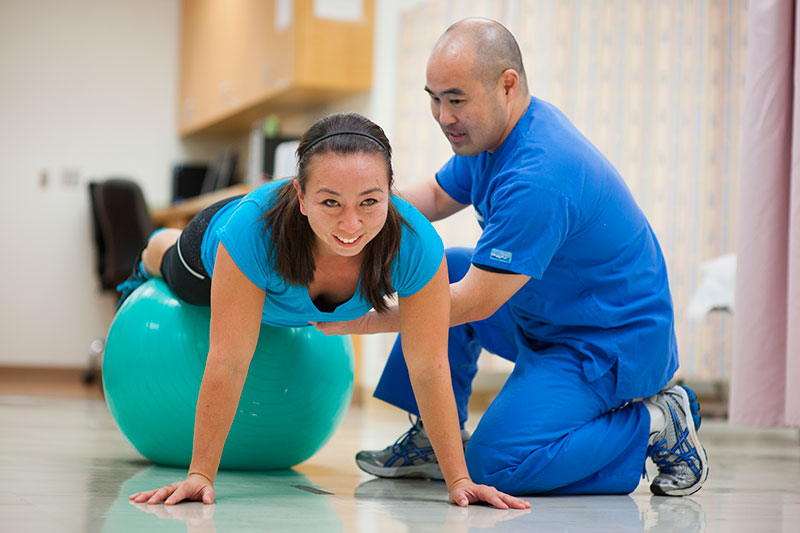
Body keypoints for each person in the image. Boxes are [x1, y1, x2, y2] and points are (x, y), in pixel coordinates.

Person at [316, 20, 709, 497]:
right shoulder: (491, 136)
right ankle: (431, 440)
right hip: (548, 315)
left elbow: (474, 303)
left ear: (507, 84)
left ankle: (655, 422)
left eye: (455, 99)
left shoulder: (539, 174)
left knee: (494, 466)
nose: (442, 116)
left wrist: (357, 320)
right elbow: (435, 196)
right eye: (434, 98)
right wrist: (351, 210)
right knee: (449, 265)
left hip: (605, 345)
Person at [119, 113, 529, 510]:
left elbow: (428, 367)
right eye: (331, 201)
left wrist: (459, 481)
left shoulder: (415, 245)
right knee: (169, 264)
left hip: (268, 260)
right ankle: (156, 247)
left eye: (369, 201)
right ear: (301, 196)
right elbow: (228, 361)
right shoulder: (251, 233)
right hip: (210, 255)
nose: (351, 224)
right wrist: (200, 476)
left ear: (390, 191)